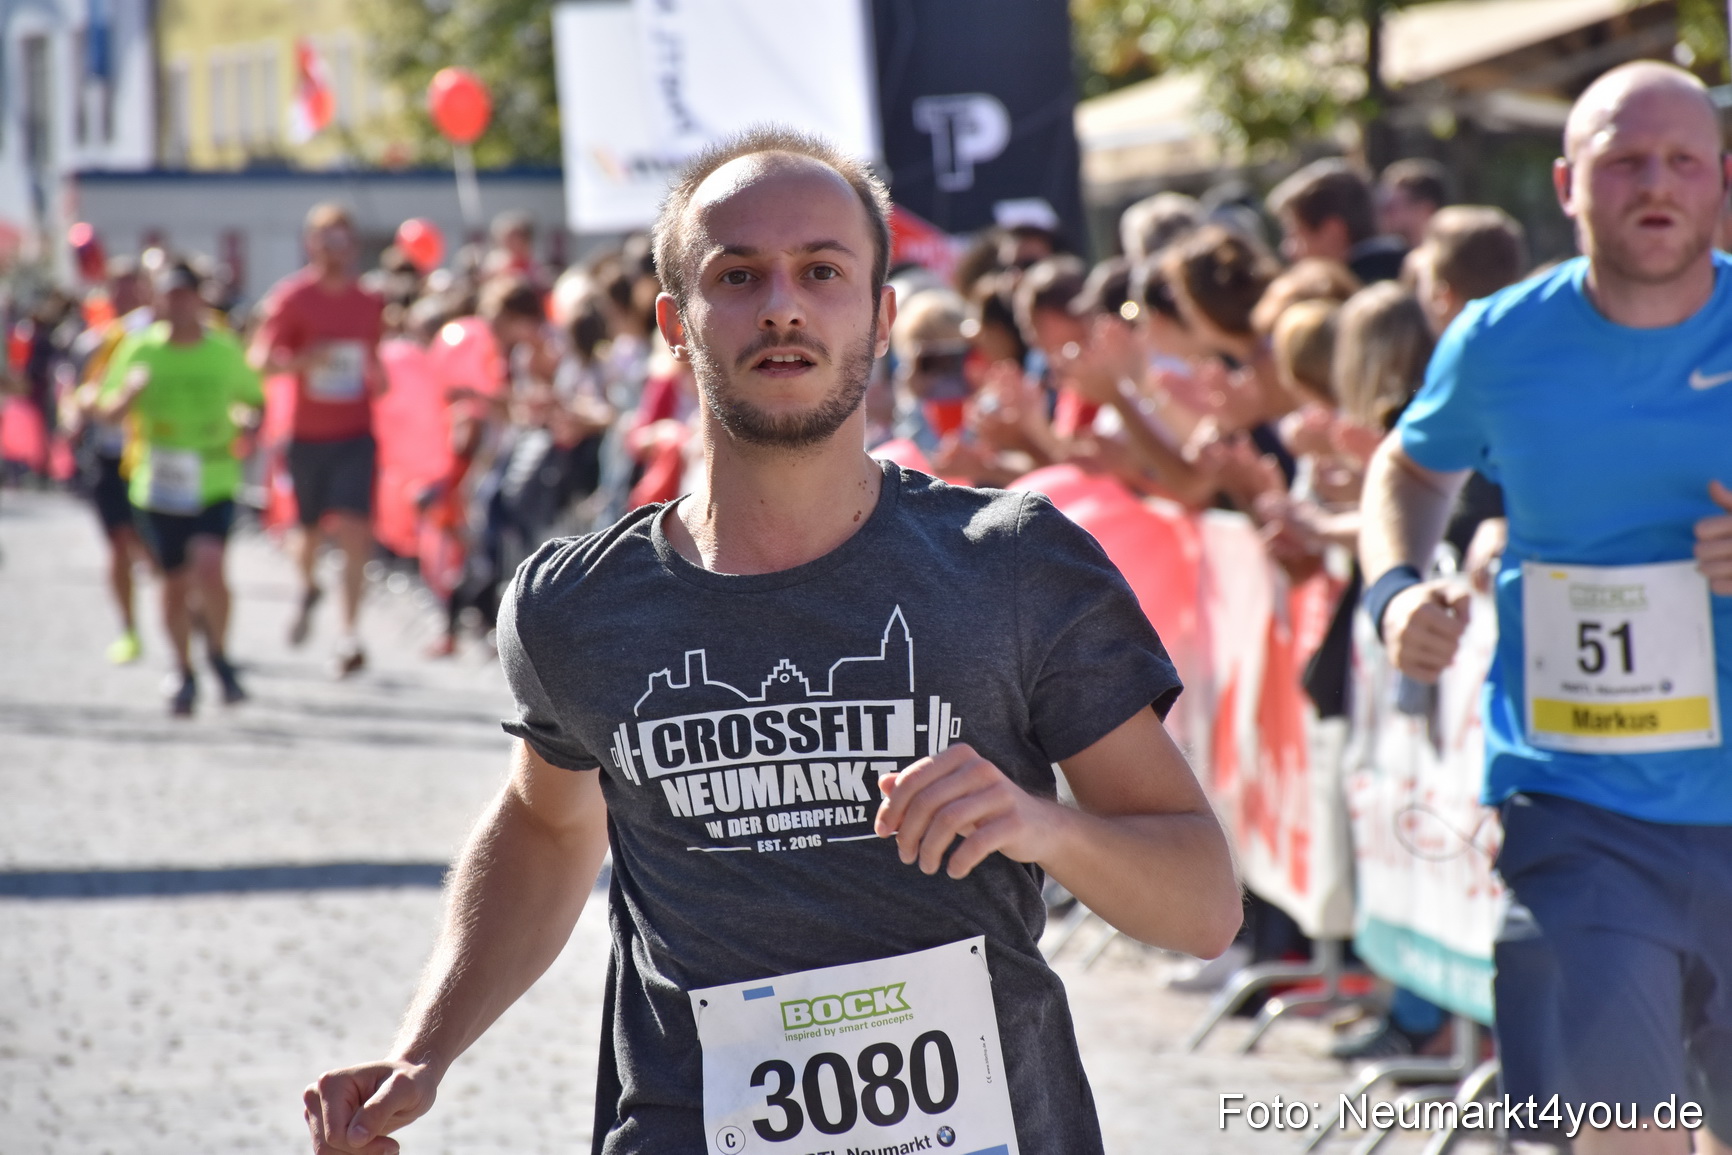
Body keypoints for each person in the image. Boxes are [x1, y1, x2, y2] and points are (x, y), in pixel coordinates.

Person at [304, 125, 1241, 1155]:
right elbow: (548, 827)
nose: (783, 306)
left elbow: (1203, 907)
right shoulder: (576, 604)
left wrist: (1045, 827)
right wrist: (424, 1050)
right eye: (738, 275)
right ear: (675, 323)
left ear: (882, 316)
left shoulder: (1014, 565)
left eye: (822, 271)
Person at [1360, 62, 1732, 1153]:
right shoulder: (1499, 340)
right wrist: (1393, 592)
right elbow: (1410, 465)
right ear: (1567, 183)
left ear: (1721, 180)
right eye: (1623, 160)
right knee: (1619, 1136)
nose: (1653, 184)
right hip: (1578, 807)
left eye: (1682, 161)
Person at [98, 262, 262, 716]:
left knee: (209, 567)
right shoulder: (139, 347)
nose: (176, 305)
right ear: (156, 299)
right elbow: (106, 412)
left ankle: (219, 655)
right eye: (167, 296)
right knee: (173, 581)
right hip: (159, 480)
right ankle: (183, 669)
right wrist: (129, 394)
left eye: (184, 295)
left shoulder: (222, 349)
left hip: (213, 475)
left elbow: (253, 398)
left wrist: (247, 420)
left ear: (199, 299)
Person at [251, 203, 386, 677]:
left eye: (342, 239)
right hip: (306, 435)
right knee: (307, 533)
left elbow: (375, 359)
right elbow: (260, 361)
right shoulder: (292, 297)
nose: (334, 249)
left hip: (355, 432)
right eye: (325, 239)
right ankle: (307, 585)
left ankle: (349, 636)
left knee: (354, 529)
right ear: (310, 244)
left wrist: (379, 377)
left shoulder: (369, 301)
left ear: (353, 244)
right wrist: (303, 361)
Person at [64, 257, 155, 664]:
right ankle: (129, 629)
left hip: (150, 454)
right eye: (116, 286)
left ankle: (190, 619)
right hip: (109, 454)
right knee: (119, 543)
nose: (124, 293)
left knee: (154, 549)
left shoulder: (155, 335)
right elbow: (75, 391)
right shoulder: (94, 342)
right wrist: (75, 415)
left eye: (131, 285)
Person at [1267, 158, 1407, 284]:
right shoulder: (1411, 272)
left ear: (1332, 232)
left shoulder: (1346, 294)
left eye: (1294, 235)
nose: (1288, 251)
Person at [1376, 158, 1450, 249]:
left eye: (1392, 206)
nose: (1385, 213)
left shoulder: (1454, 255)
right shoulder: (1383, 255)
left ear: (1426, 210)